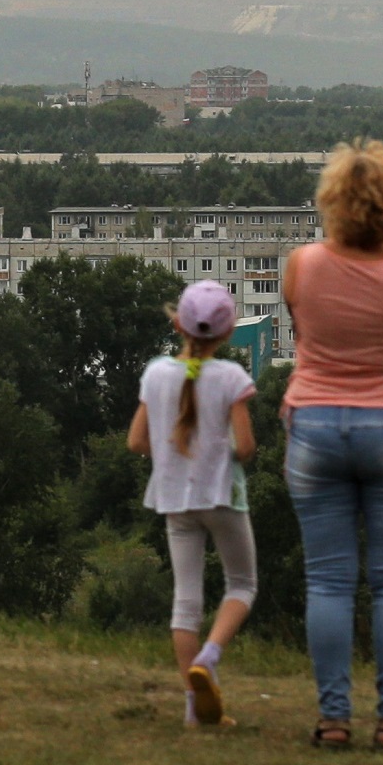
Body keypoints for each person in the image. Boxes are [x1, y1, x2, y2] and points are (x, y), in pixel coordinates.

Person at [280, 139, 383, 751]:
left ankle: (333, 718)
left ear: (332, 203)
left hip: (316, 428)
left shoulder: (302, 265)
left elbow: (303, 326)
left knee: (328, 583)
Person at [126, 279, 259, 728]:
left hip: (174, 501)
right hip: (222, 496)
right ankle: (211, 655)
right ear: (226, 333)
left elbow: (136, 441)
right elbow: (245, 447)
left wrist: (171, 453)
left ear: (178, 323)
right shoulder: (232, 378)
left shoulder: (156, 373)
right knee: (242, 585)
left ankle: (193, 706)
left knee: (186, 603)